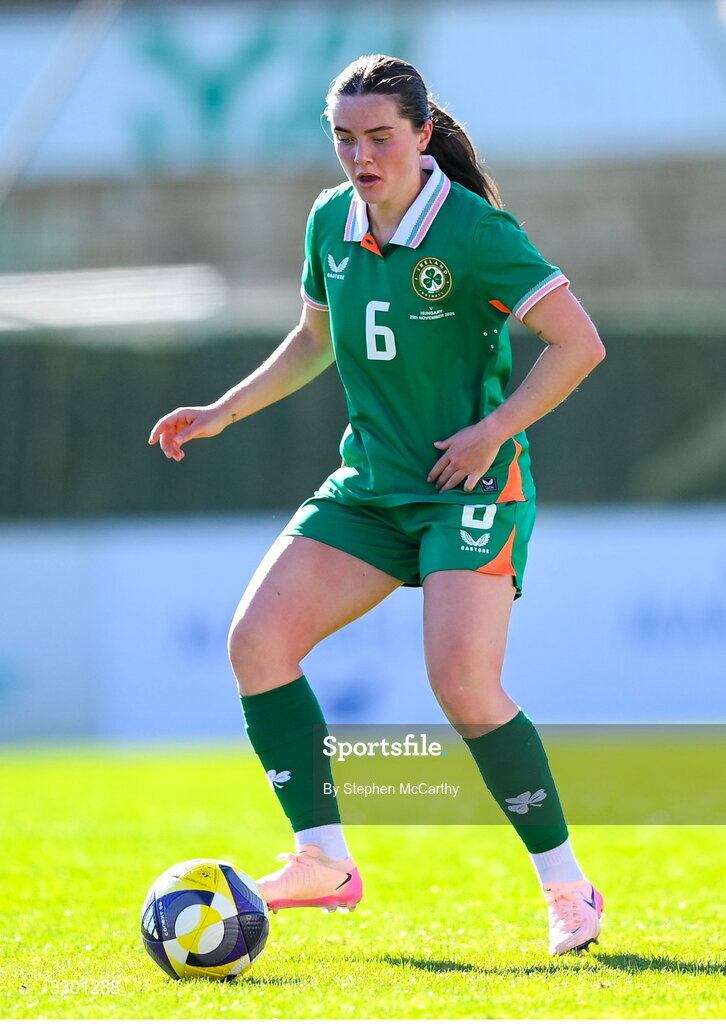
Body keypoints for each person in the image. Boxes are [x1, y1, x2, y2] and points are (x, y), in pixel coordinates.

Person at [149, 54, 606, 956]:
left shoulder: (475, 231)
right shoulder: (330, 220)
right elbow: (315, 339)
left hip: (467, 488)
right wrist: (222, 411)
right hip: (371, 487)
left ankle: (568, 890)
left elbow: (578, 343)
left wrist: (494, 430)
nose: (361, 155)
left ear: (422, 135)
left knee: (463, 686)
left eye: (380, 137)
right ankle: (322, 862)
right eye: (345, 138)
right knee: (257, 644)